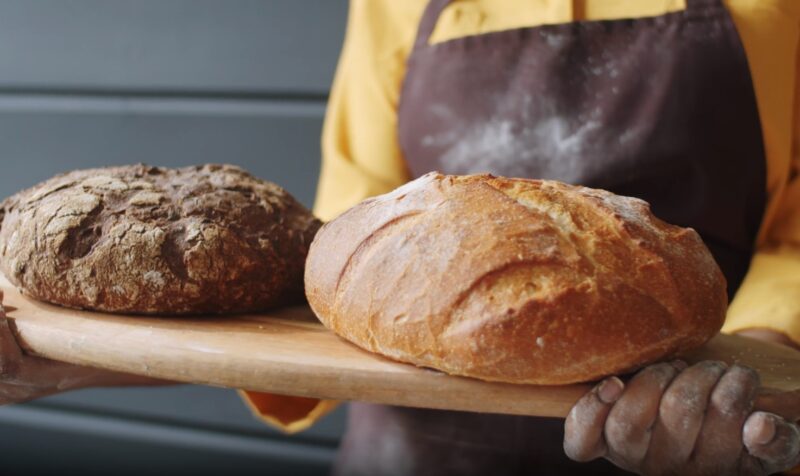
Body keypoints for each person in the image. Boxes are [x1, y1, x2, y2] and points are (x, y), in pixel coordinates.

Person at [1, 0, 799, 474]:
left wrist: (748, 374)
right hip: (411, 455)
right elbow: (334, 288)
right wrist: (68, 370)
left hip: (684, 410)